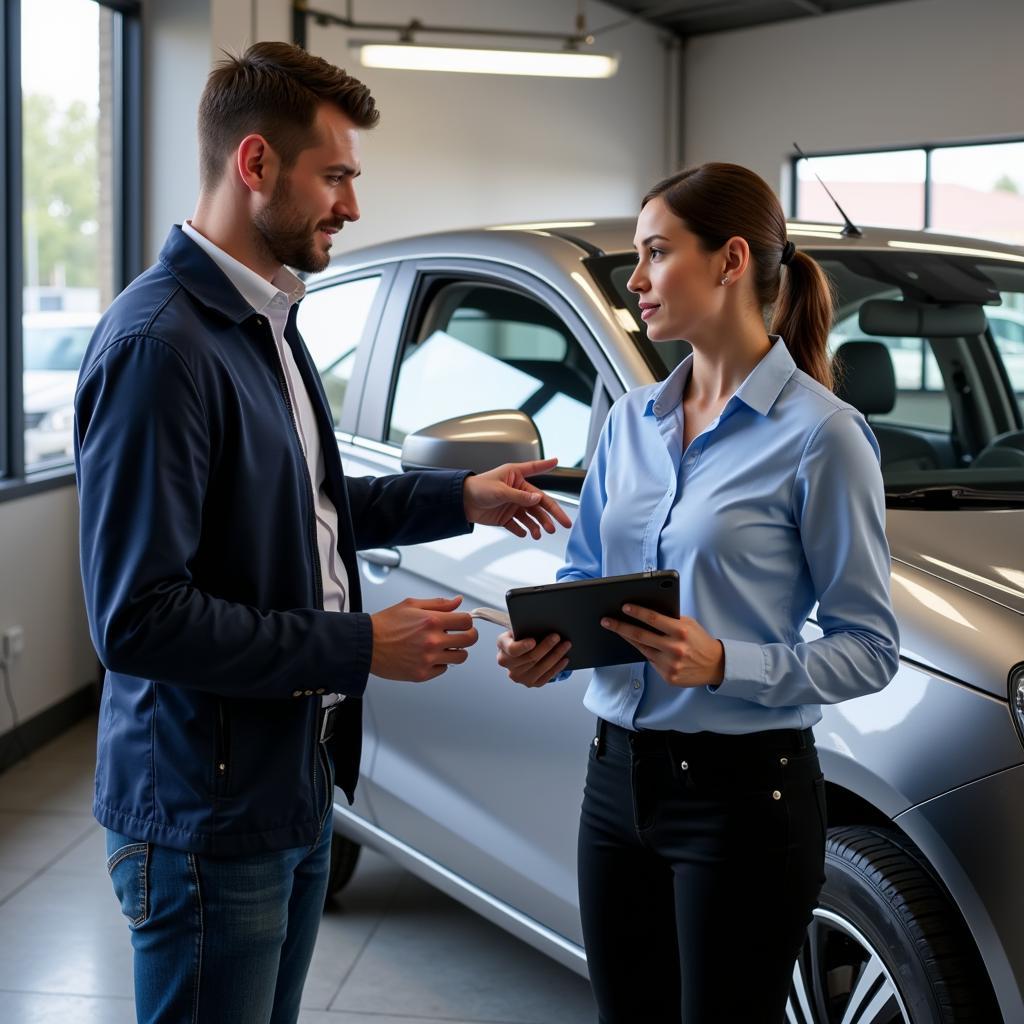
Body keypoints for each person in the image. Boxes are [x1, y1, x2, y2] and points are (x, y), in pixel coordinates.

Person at [75, 41, 570, 1024]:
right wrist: (361, 645)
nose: (351, 204)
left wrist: (459, 499)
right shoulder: (158, 347)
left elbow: (309, 504)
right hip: (205, 815)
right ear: (256, 165)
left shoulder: (265, 320)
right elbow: (137, 620)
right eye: (335, 175)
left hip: (290, 781)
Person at [496, 162, 900, 1023]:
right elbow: (587, 579)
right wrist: (550, 650)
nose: (636, 280)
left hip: (746, 801)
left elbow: (870, 648)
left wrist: (725, 663)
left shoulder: (823, 437)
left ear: (729, 261)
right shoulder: (629, 423)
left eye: (654, 253)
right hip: (613, 785)